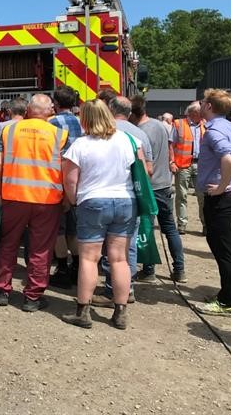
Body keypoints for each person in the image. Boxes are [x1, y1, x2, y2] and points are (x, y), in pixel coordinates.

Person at [61, 99, 140, 330]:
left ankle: (83, 311)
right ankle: (120, 312)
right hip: (125, 201)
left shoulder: (80, 145)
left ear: (85, 119)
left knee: (89, 258)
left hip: (93, 201)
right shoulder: (129, 140)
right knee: (119, 259)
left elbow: (70, 179)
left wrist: (74, 200)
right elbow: (142, 171)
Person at [0, 94, 67, 311]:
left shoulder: (9, 130)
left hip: (14, 196)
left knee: (8, 244)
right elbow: (67, 168)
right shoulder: (60, 134)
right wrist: (68, 198)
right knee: (40, 249)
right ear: (50, 111)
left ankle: (2, 290)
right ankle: (32, 297)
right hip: (47, 200)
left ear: (28, 110)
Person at [195, 89, 231, 316]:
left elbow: (229, 159)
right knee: (223, 248)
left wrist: (222, 186)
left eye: (202, 102)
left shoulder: (214, 132)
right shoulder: (230, 126)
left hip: (221, 198)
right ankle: (228, 294)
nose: (200, 105)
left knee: (225, 251)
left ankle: (228, 301)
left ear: (209, 106)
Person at [92, 95, 151, 304]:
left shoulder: (101, 132)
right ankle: (128, 288)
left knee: (109, 250)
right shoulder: (139, 135)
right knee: (128, 247)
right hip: (130, 199)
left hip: (101, 197)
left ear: (110, 109)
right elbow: (147, 170)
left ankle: (111, 290)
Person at [131, 95, 187, 283]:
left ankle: (149, 270)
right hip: (164, 184)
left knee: (147, 229)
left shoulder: (140, 132)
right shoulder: (160, 125)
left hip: (150, 186)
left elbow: (147, 163)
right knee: (170, 228)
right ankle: (179, 269)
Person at [48, 85, 83, 288]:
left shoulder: (52, 124)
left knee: (59, 230)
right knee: (73, 229)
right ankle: (77, 266)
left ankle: (62, 268)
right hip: (78, 181)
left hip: (59, 182)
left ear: (56, 103)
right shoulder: (82, 124)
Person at [170, 102, 206, 233]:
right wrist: (172, 162)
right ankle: (182, 224)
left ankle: (205, 224)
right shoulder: (179, 124)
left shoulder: (205, 124)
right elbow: (171, 145)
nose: (203, 115)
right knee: (182, 195)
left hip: (201, 165)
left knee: (203, 196)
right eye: (200, 113)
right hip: (183, 165)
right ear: (193, 113)